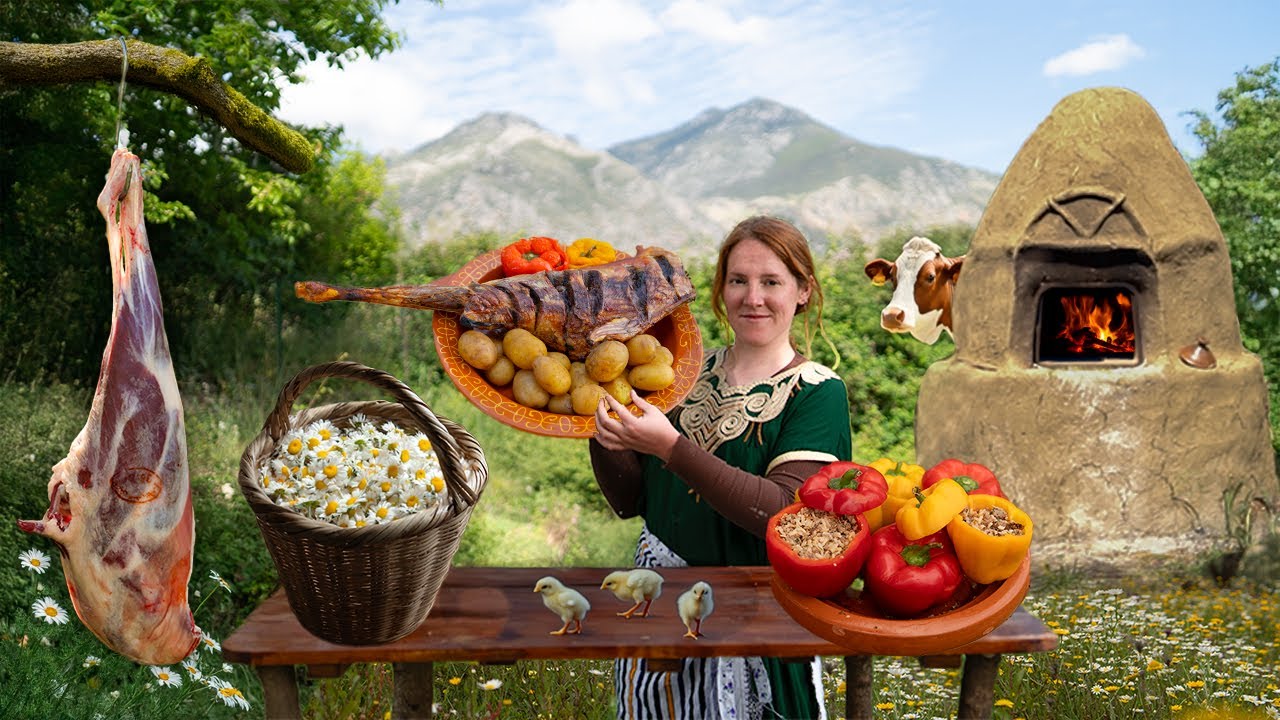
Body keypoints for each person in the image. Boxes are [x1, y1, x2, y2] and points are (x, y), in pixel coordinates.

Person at [590, 215, 852, 719]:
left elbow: (786, 515)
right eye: (738, 280)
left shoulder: (818, 392)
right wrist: (597, 422)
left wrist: (671, 447)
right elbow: (632, 501)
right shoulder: (679, 373)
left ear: (802, 292)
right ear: (721, 289)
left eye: (771, 282)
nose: (753, 298)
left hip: (759, 618)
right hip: (660, 608)